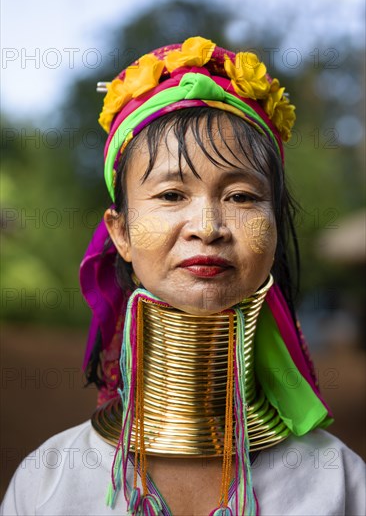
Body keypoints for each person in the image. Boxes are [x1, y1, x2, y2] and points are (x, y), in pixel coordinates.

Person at [1, 36, 365, 516]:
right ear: (121, 234)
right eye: (172, 195)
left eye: (241, 197)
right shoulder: (48, 481)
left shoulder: (340, 483)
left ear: (275, 226)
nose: (208, 228)